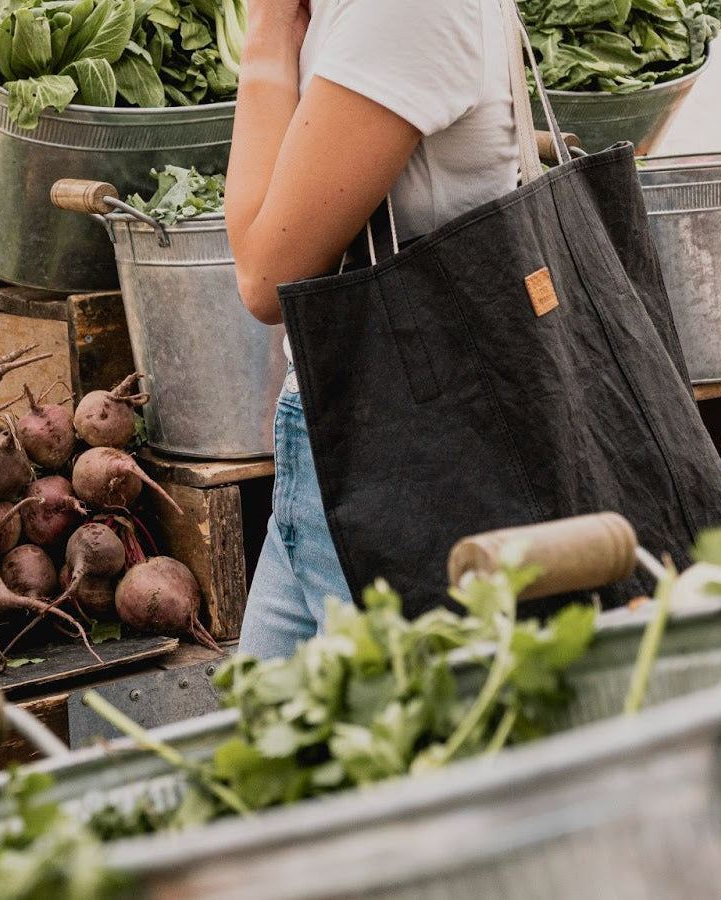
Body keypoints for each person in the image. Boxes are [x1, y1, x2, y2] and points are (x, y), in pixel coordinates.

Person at [229, 0, 520, 659]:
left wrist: (267, 34)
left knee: (369, 749)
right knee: (259, 749)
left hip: (410, 454)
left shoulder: (404, 8)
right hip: (343, 438)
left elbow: (267, 278)